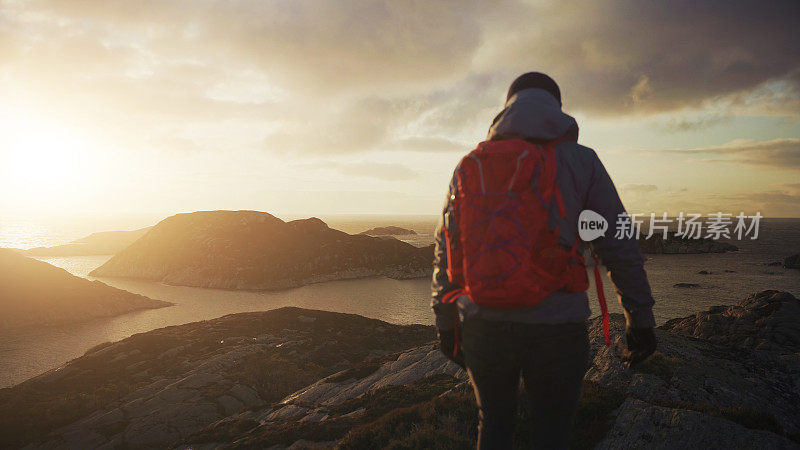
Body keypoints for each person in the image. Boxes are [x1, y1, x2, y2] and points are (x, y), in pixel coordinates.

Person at [431, 72, 657, 449]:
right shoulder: (581, 161)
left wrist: (444, 319)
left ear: (507, 107)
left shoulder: (469, 164)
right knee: (552, 430)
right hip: (556, 323)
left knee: (495, 423)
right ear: (557, 108)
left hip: (483, 322)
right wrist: (640, 318)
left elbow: (446, 246)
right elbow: (618, 243)